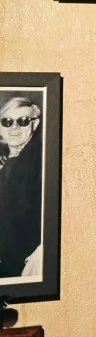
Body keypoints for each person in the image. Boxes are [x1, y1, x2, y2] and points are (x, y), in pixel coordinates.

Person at [0, 95, 44, 280]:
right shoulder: (8, 156)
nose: (15, 127)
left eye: (23, 121)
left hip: (16, 262)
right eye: (7, 121)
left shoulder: (38, 159)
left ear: (35, 124)